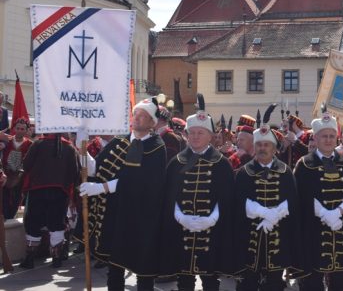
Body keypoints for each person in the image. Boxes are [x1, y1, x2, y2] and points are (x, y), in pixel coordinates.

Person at [78, 97, 167, 291]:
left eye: (143, 116)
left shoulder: (156, 147)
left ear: (152, 123)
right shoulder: (120, 140)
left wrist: (103, 188)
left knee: (144, 272)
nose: (137, 119)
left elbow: (141, 181)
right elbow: (98, 169)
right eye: (136, 114)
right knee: (115, 267)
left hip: (142, 217)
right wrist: (82, 151)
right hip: (117, 213)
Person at [160, 94, 235, 291]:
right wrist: (178, 215)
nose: (195, 137)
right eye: (192, 133)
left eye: (200, 133)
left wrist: (213, 217)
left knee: (211, 281)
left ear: (210, 136)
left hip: (212, 231)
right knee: (184, 280)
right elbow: (169, 196)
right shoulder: (176, 162)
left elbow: (227, 198)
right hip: (181, 230)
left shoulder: (222, 164)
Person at [293, 106, 343, 291]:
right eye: (324, 136)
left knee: (339, 283)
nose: (328, 140)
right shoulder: (304, 165)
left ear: (337, 138)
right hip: (313, 231)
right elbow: (299, 196)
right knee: (312, 283)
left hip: (341, 229)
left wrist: (340, 211)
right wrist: (323, 213)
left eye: (331, 136)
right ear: (316, 138)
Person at [235, 105, 301, 291]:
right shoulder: (244, 173)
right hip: (250, 240)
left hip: (278, 239)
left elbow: (292, 201)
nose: (263, 148)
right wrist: (261, 212)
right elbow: (238, 203)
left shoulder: (285, 172)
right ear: (254, 147)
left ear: (274, 148)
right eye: (259, 145)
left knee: (274, 284)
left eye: (267, 145)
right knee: (248, 283)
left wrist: (275, 215)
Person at [19, 133, 78, 268]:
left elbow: (26, 165)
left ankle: (29, 258)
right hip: (60, 192)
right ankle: (56, 258)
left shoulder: (38, 144)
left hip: (37, 190)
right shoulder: (69, 148)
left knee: (33, 223)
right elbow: (74, 173)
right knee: (57, 223)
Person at [2, 117, 33, 220]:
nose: (20, 131)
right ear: (14, 128)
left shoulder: (30, 144)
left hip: (19, 179)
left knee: (16, 201)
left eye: (22, 129)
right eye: (18, 128)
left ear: (26, 130)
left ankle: (10, 219)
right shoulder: (7, 141)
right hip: (4, 177)